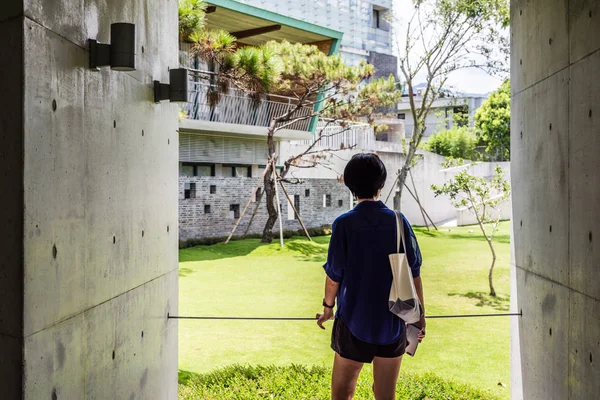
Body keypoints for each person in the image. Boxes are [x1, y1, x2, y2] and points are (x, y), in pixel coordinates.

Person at [316, 153, 425, 400]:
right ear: (381, 184)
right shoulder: (399, 221)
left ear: (350, 185)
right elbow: (414, 271)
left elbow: (334, 275)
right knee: (386, 394)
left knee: (342, 393)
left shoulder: (344, 224)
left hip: (353, 322)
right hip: (394, 320)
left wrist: (327, 308)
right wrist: (420, 315)